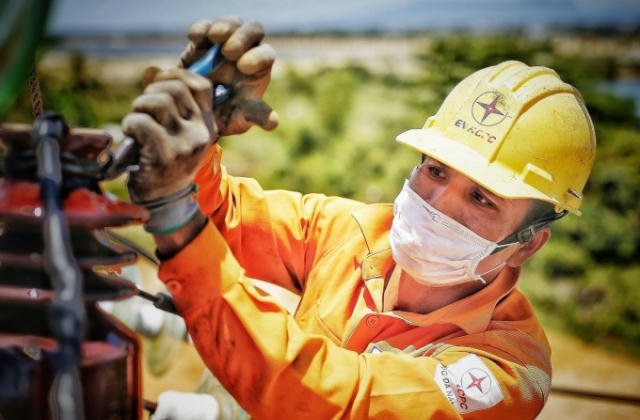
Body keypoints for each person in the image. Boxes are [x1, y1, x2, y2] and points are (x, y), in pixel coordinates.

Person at [123, 17, 596, 419]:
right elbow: (225, 217)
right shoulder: (355, 233)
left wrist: (176, 215)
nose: (438, 204)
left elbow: (337, 402)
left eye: (481, 198)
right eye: (435, 171)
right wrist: (195, 151)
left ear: (528, 243)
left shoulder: (506, 370)